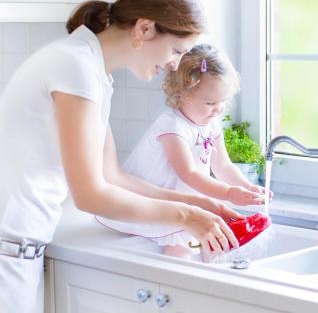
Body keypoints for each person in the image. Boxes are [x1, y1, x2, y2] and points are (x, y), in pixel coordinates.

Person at [0, 0, 240, 313]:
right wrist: (185, 215)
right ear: (145, 28)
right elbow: (90, 195)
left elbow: (111, 177)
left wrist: (197, 203)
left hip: (3, 256)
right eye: (176, 50)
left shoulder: (93, 72)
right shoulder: (74, 66)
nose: (174, 64)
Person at [97, 44, 270, 258]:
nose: (218, 109)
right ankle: (179, 278)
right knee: (180, 244)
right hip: (158, 201)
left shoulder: (211, 123)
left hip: (186, 199)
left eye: (223, 101)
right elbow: (188, 173)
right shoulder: (172, 126)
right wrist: (227, 193)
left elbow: (222, 165)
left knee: (203, 239)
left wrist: (247, 187)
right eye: (210, 102)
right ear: (183, 94)